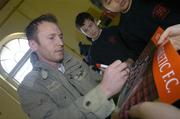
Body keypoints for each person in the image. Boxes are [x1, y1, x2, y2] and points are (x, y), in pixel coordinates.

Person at [17, 13, 130, 119]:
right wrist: (103, 91)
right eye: (51, 38)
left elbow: (100, 80)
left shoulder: (72, 61)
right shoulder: (29, 88)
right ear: (33, 45)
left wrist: (113, 78)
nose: (61, 43)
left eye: (60, 36)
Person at [90, 0, 180, 57]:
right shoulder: (125, 30)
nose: (116, 0)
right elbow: (147, 55)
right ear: (107, 10)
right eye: (109, 1)